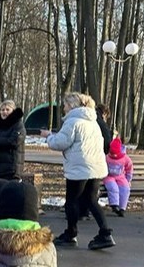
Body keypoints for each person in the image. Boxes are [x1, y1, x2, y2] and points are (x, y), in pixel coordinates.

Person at [41, 92, 115, 250]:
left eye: (65, 104)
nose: (63, 107)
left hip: (79, 167)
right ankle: (105, 233)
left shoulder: (73, 121)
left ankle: (71, 233)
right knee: (91, 199)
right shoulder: (93, 121)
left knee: (72, 201)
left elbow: (60, 143)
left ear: (72, 105)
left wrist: (48, 137)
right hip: (95, 166)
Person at [0, 100, 26, 180]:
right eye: (2, 110)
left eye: (7, 110)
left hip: (11, 169)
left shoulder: (18, 125)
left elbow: (14, 141)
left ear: (13, 111)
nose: (4, 112)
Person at [104, 137, 133, 217]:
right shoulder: (107, 157)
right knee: (113, 187)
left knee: (125, 189)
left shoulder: (125, 158)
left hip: (121, 176)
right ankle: (114, 205)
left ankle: (122, 208)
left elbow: (129, 169)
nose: (114, 155)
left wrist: (128, 180)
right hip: (109, 176)